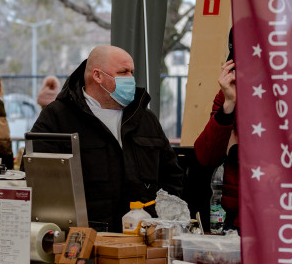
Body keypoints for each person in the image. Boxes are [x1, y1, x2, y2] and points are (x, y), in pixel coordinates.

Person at [29, 45, 184, 232]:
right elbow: (38, 180)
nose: (131, 79)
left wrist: (161, 221)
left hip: (143, 236)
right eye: (123, 72)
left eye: (132, 73)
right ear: (97, 75)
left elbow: (172, 176)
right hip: (85, 239)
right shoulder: (58, 118)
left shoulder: (145, 119)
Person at [194, 29, 239, 229]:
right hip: (238, 219)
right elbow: (206, 156)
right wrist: (229, 105)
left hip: (287, 211)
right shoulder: (229, 93)